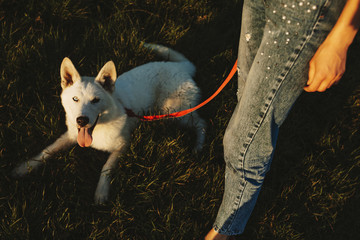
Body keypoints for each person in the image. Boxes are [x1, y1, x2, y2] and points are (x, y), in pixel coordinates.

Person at [205, 0, 360, 239]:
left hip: (305, 11)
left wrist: (342, 38)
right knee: (246, 99)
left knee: (243, 141)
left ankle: (226, 232)